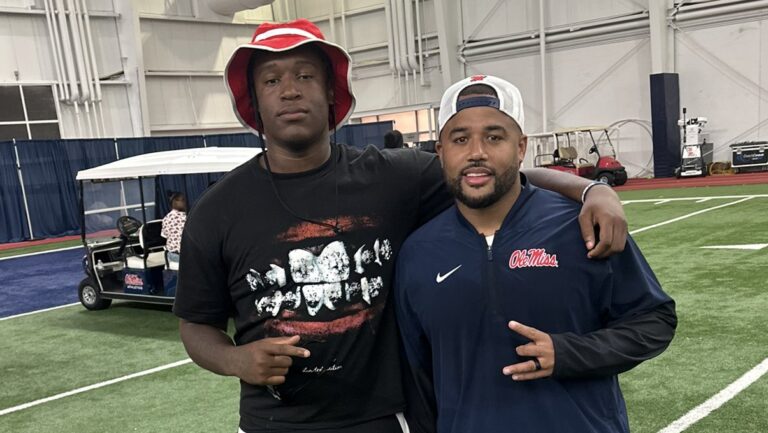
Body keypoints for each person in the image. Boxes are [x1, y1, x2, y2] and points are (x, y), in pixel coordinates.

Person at [173, 19, 629, 433]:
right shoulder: (217, 210)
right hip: (273, 422)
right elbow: (197, 325)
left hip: (383, 418)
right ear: (253, 100)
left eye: (305, 75)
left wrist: (591, 191)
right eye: (271, 80)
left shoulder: (395, 176)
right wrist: (236, 359)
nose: (289, 90)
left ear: (332, 92)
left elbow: (490, 173)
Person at [394, 75, 676, 433]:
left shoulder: (581, 225)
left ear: (521, 147)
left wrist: (571, 354)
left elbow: (654, 320)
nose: (476, 152)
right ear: (440, 152)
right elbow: (417, 379)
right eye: (460, 139)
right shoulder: (418, 252)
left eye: (494, 137)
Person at [161, 192, 187, 265]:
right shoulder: (189, 217)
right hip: (189, 254)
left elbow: (164, 235)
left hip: (175, 255)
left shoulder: (167, 218)